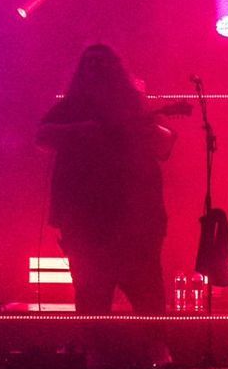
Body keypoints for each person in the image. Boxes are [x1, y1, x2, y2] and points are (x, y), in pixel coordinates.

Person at [37, 44, 175, 314]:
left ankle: (153, 340)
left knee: (147, 297)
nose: (95, 68)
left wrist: (154, 133)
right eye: (89, 62)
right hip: (86, 219)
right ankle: (97, 342)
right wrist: (80, 130)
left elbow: (161, 146)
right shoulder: (72, 105)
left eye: (100, 62)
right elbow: (42, 135)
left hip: (134, 219)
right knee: (92, 298)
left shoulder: (131, 104)